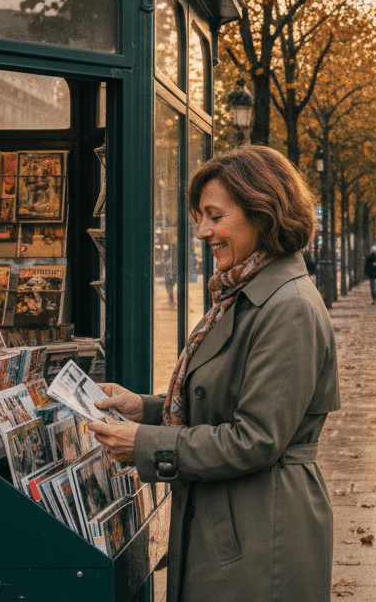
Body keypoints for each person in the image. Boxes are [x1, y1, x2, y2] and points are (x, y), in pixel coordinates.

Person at [91, 146, 339, 602]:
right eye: (201, 217)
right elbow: (219, 404)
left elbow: (256, 438)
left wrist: (144, 443)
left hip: (263, 531)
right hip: (237, 521)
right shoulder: (245, 293)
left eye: (214, 216)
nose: (202, 231)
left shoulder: (288, 307)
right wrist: (142, 409)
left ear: (263, 213)